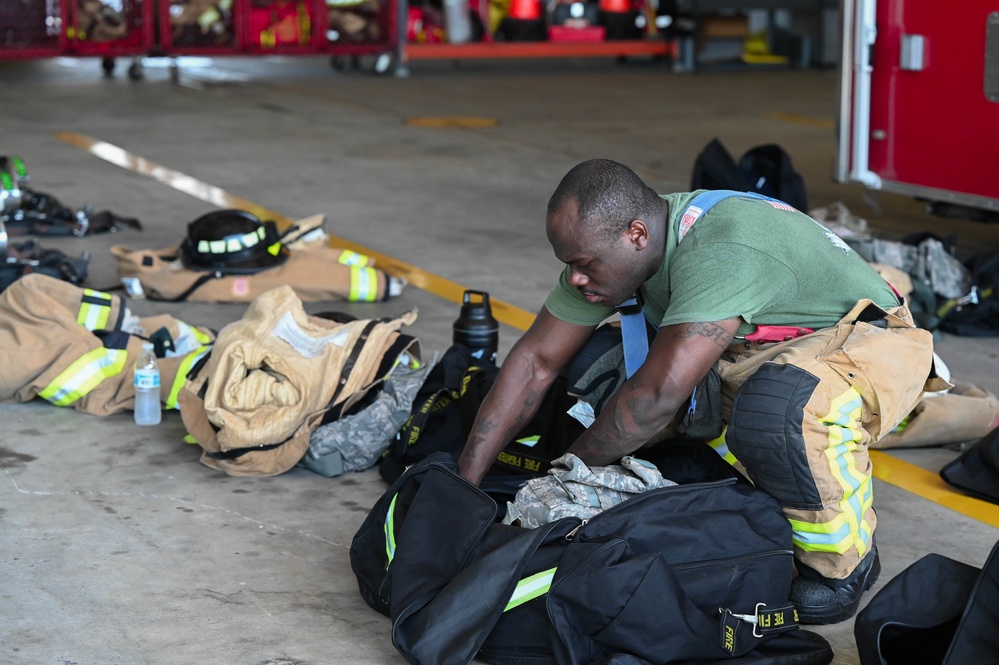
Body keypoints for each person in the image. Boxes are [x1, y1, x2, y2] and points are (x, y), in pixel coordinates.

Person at [457, 158, 945, 625]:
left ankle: (843, 564)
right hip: (761, 351)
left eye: (584, 264)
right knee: (595, 368)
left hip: (865, 347)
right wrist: (465, 484)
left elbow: (657, 398)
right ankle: (739, 494)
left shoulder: (720, 248)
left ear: (636, 235)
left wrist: (561, 483)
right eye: (570, 265)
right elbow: (536, 361)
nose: (575, 277)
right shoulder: (618, 244)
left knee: (777, 410)